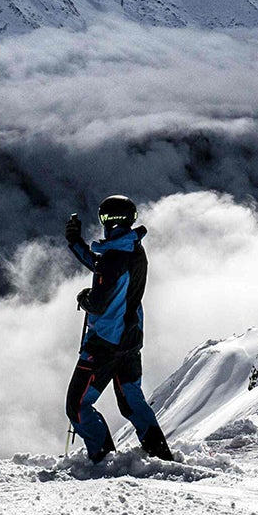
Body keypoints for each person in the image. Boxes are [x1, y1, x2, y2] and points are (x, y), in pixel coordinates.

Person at [64, 196, 173, 464]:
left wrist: (83, 298)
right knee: (131, 399)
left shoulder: (113, 258)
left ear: (106, 221)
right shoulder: (133, 249)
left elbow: (98, 302)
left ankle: (103, 459)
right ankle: (159, 452)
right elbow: (104, 268)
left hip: (104, 342)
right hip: (131, 338)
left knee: (77, 405)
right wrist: (76, 244)